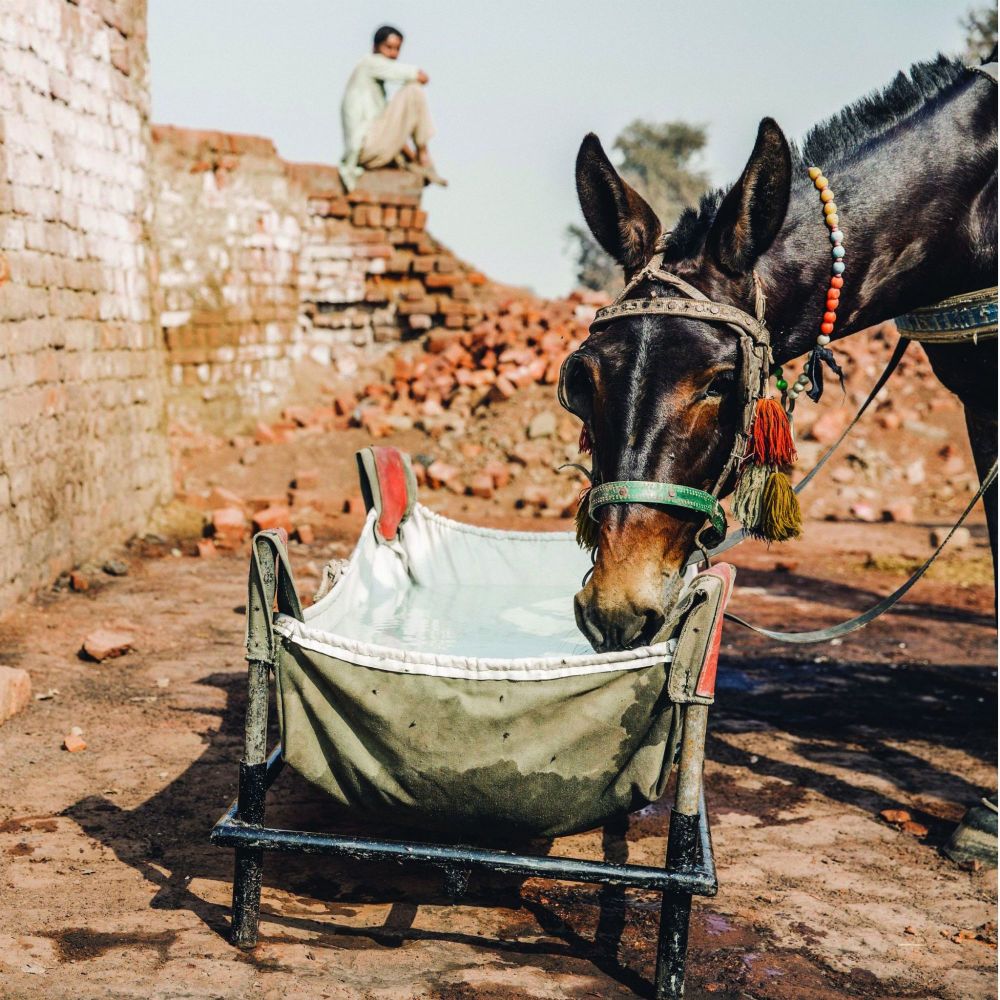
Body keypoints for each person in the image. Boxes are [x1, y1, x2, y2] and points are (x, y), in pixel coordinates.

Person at [339, 24, 447, 191]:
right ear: (375, 47)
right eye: (388, 48)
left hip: (375, 148)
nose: (393, 54)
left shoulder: (375, 94)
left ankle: (420, 161)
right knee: (413, 91)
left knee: (406, 107)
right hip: (364, 149)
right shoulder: (369, 64)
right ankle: (424, 157)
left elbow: (391, 131)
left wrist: (413, 161)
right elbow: (419, 76)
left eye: (397, 49)